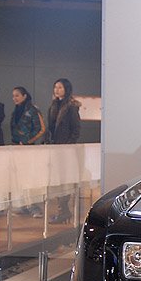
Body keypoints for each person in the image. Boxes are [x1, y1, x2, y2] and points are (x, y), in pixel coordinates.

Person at [47, 78, 81, 223]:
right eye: (55, 87)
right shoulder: (53, 106)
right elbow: (50, 128)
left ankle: (64, 211)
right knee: (57, 179)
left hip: (66, 149)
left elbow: (76, 129)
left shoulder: (71, 107)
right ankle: (63, 211)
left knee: (65, 179)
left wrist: (68, 145)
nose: (57, 90)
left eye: (60, 87)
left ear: (66, 89)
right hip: (55, 148)